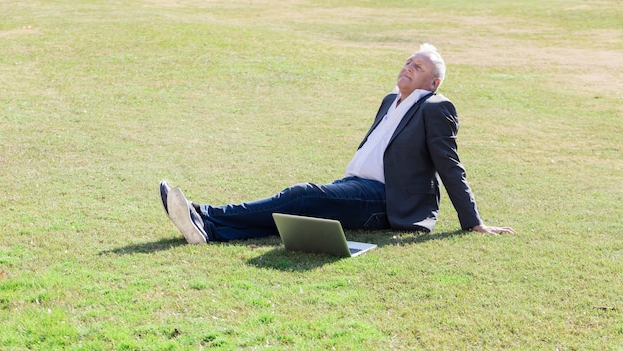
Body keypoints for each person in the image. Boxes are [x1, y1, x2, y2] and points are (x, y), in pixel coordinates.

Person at [160, 43, 514, 244]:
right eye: (408, 61)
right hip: (357, 186)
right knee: (294, 213)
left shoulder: (436, 106)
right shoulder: (391, 100)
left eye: (418, 67)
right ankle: (209, 232)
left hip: (386, 200)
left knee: (300, 195)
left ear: (434, 82)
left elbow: (450, 165)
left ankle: (204, 214)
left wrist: (473, 222)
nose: (408, 67)